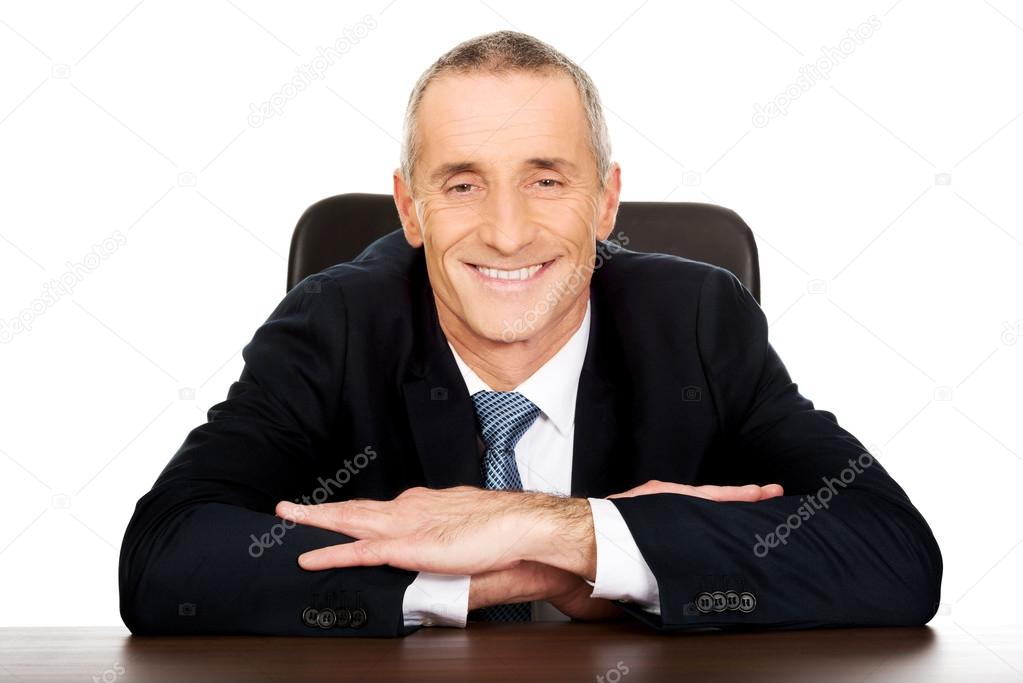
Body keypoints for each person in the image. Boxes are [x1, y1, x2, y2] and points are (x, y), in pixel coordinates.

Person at [118, 30, 942, 637]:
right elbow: (163, 560)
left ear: (606, 202)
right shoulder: (334, 324)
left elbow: (894, 554)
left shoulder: (696, 321)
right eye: (463, 183)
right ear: (409, 208)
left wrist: (557, 527)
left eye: (546, 180)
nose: (506, 233)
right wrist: (474, 574)